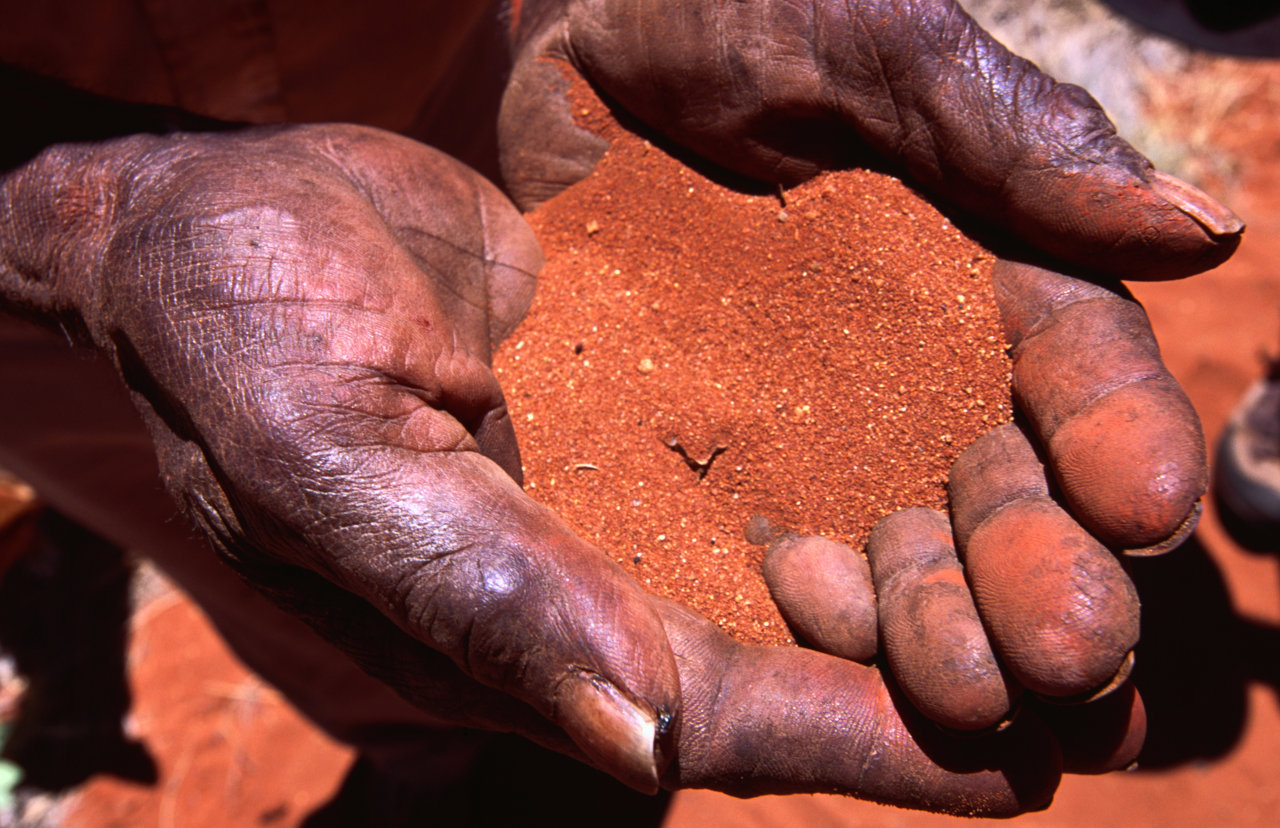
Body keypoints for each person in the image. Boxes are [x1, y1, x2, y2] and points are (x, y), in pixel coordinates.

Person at [0, 0, 1243, 821]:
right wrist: (90, 214)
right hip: (56, 224)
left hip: (482, 57)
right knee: (285, 528)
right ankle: (437, 761)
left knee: (431, 493)